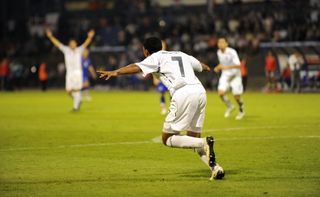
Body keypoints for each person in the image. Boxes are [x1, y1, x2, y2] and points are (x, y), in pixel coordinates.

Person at [98, 37, 225, 180]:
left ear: (146, 51)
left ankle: (204, 142)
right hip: (200, 92)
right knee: (192, 139)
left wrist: (116, 72)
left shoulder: (155, 57)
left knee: (167, 138)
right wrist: (207, 67)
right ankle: (216, 168)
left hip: (183, 93)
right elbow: (201, 66)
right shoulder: (180, 54)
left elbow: (136, 67)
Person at [46, 29, 95, 111]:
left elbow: (86, 43)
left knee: (77, 90)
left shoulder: (79, 50)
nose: (73, 45)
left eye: (74, 43)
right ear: (69, 45)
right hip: (69, 73)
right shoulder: (66, 50)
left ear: (76, 44)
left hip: (77, 72)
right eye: (71, 43)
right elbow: (57, 44)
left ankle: (75, 107)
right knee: (68, 91)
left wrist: (90, 37)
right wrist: (51, 37)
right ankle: (78, 100)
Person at [214, 37, 245, 120]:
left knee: (236, 96)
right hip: (226, 75)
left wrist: (225, 67)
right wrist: (218, 67)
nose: (220, 44)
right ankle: (230, 106)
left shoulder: (232, 52)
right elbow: (222, 64)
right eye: (219, 42)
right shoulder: (219, 52)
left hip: (235, 76)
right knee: (221, 93)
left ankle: (241, 110)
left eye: (222, 42)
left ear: (226, 44)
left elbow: (238, 65)